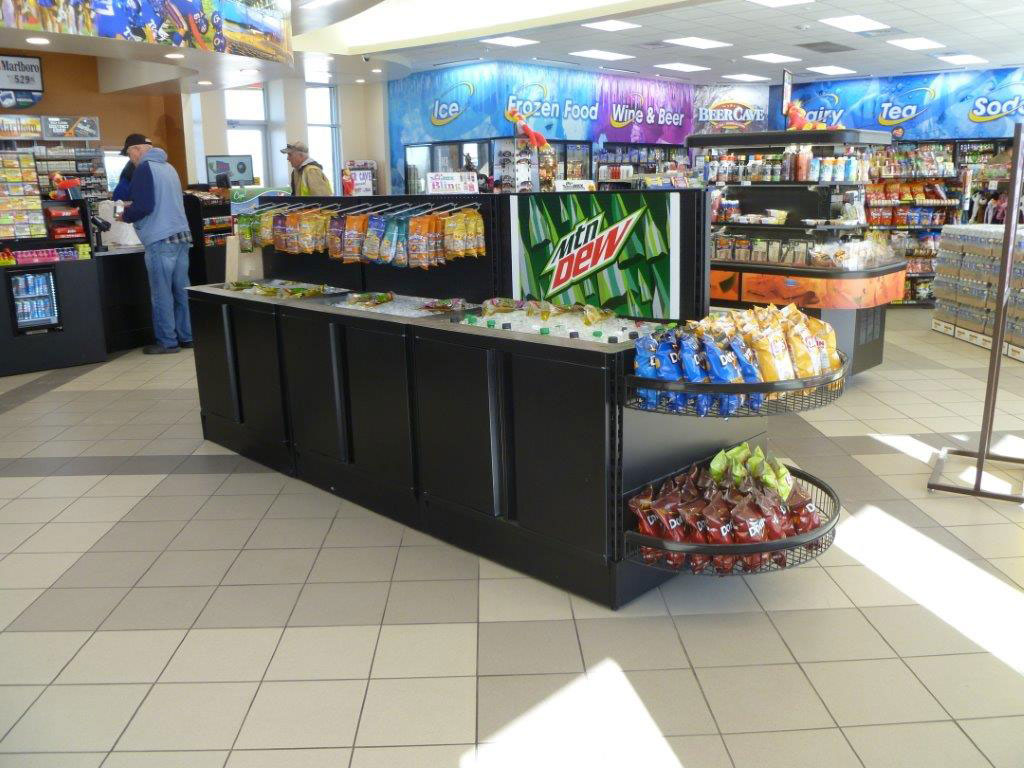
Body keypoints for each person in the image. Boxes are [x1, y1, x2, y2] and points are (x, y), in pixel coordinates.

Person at [114, 133, 193, 355]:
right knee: (181, 290)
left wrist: (124, 215)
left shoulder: (144, 169)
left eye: (130, 154)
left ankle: (167, 342)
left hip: (160, 238)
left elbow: (144, 206)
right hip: (181, 236)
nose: (131, 159)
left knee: (161, 293)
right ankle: (187, 336)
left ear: (138, 149)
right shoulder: (169, 168)